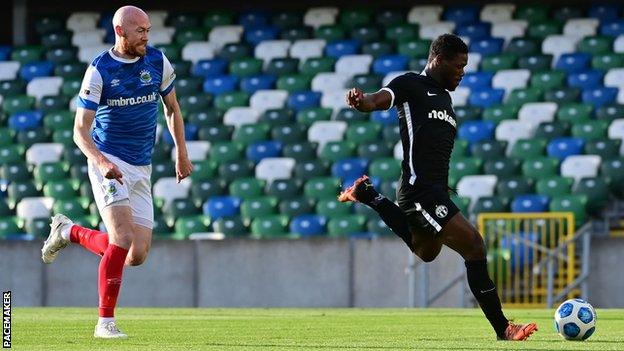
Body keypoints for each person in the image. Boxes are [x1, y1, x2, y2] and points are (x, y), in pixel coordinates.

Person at [339, 33, 537, 341]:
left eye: (465, 67)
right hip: (420, 191)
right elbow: (378, 100)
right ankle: (504, 329)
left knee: (426, 251)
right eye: (458, 66)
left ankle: (368, 195)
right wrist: (361, 101)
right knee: (473, 243)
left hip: (434, 191)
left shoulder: (445, 99)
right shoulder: (409, 85)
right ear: (437, 60)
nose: (462, 72)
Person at [40, 6, 193, 338]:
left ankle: (69, 232)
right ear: (120, 32)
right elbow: (80, 131)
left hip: (142, 165)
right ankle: (104, 323)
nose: (146, 37)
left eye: (148, 30)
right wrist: (101, 162)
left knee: (134, 255)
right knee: (121, 238)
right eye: (140, 31)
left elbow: (173, 108)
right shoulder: (100, 70)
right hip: (108, 161)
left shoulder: (157, 61)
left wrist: (181, 152)